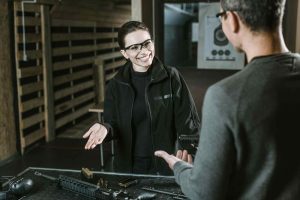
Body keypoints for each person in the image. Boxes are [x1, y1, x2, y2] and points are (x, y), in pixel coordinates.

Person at [155, 0, 300, 199]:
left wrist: (181, 168)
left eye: (221, 16)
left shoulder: (224, 96)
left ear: (232, 20)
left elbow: (203, 192)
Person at [83, 21, 200, 175]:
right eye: (134, 47)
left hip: (166, 162)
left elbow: (188, 121)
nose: (144, 51)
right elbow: (113, 124)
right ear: (124, 53)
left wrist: (191, 153)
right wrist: (106, 128)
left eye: (147, 43)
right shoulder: (116, 84)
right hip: (129, 165)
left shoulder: (172, 77)